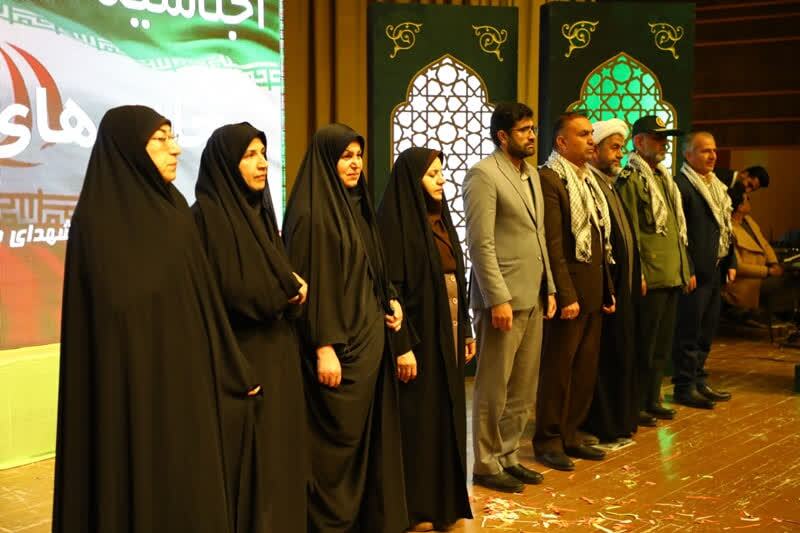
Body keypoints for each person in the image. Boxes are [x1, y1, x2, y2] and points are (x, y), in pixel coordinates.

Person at [53, 106, 262, 533]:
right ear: (129, 149)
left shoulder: (176, 213)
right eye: (160, 140)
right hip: (126, 394)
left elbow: (204, 302)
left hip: (185, 390)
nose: (176, 149)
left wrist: (231, 368)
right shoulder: (96, 223)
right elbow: (105, 323)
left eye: (173, 137)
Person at [282, 123, 409, 532]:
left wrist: (390, 300)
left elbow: (372, 264)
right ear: (326, 161)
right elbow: (311, 289)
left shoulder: (358, 206)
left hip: (370, 345)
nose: (355, 164)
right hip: (338, 353)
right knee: (332, 451)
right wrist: (324, 347)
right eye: (345, 157)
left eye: (358, 156)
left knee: (367, 449)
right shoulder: (310, 215)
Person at [192, 123, 309, 532]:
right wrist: (286, 291)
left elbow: (278, 279)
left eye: (263, 153)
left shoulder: (260, 214)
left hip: (279, 355)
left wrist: (290, 292)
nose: (262, 163)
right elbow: (229, 292)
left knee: (281, 463)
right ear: (226, 163)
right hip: (239, 361)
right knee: (250, 470)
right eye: (249, 155)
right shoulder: (205, 219)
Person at [377, 147, 474, 532]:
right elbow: (391, 294)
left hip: (448, 336)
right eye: (432, 174)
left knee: (448, 421)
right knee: (420, 424)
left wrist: (466, 329)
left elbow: (459, 279)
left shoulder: (442, 220)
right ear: (412, 180)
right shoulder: (394, 224)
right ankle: (417, 508)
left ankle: (445, 503)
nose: (441, 180)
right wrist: (402, 346)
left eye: (441, 173)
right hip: (419, 342)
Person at [464, 102, 556, 494]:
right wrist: (496, 298)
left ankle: (508, 455)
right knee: (494, 386)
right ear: (503, 136)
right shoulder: (483, 174)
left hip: (533, 292)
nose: (532, 136)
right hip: (501, 298)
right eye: (523, 130)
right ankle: (486, 463)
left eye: (533, 129)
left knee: (523, 385)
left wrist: (550, 287)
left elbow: (539, 234)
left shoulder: (532, 174)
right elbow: (479, 243)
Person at [534, 112, 615, 471]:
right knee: (558, 370)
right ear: (561, 142)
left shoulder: (588, 179)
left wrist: (607, 289)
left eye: (591, 134)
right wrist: (565, 295)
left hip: (593, 290)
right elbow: (553, 245)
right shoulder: (550, 179)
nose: (591, 140)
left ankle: (571, 434)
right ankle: (548, 440)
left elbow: (600, 238)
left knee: (584, 369)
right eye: (583, 135)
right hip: (570, 293)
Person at [616, 115, 691, 424]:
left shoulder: (663, 179)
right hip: (650, 276)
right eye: (658, 138)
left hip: (670, 273)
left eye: (665, 139)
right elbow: (630, 233)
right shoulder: (631, 179)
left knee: (661, 345)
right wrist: (639, 274)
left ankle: (652, 398)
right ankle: (635, 404)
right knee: (643, 346)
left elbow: (675, 230)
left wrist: (685, 269)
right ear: (639, 141)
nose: (664, 144)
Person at [583, 118, 642, 440]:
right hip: (605, 289)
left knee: (623, 354)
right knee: (605, 358)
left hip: (623, 287)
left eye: (622, 147)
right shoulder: (589, 186)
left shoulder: (609, 184)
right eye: (615, 147)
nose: (620, 154)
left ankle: (621, 420)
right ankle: (602, 424)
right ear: (594, 151)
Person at [672, 132, 736, 408]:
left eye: (714, 150)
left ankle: (699, 380)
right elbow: (678, 234)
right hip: (695, 272)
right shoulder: (682, 185)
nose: (712, 156)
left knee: (706, 332)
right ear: (688, 155)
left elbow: (725, 228)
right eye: (705, 151)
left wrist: (731, 262)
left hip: (715, 269)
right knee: (688, 332)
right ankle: (684, 386)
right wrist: (686, 268)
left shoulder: (716, 185)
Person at [724, 183, 799, 321]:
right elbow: (737, 266)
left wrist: (774, 263)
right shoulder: (728, 229)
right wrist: (767, 271)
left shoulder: (748, 221)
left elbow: (764, 244)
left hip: (763, 274)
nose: (749, 201)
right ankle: (777, 318)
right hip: (744, 282)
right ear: (739, 207)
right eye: (747, 199)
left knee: (792, 277)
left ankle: (786, 318)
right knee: (786, 283)